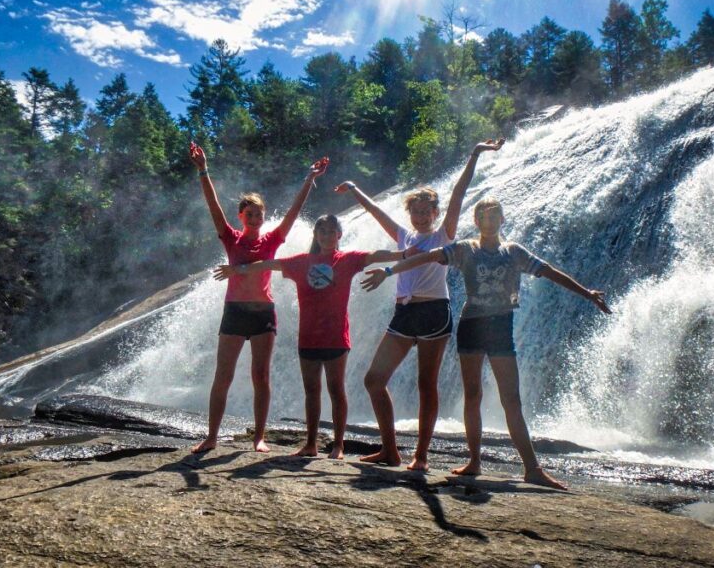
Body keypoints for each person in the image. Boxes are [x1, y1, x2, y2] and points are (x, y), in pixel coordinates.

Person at [361, 198, 612, 489]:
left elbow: (549, 272)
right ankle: (474, 461)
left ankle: (532, 468)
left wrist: (587, 294)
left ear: (502, 220)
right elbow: (428, 257)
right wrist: (389, 272)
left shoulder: (514, 252)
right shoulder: (465, 249)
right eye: (483, 217)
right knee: (473, 395)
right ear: (476, 221)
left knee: (511, 399)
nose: (489, 221)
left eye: (494, 216)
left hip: (501, 328)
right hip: (471, 326)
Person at [334, 138, 505, 471]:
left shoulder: (443, 235)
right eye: (417, 211)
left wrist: (473, 154)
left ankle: (421, 456)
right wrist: (355, 190)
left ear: (435, 214)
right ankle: (390, 450)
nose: (422, 216)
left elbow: (458, 194)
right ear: (410, 213)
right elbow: (376, 211)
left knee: (426, 384)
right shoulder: (404, 236)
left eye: (428, 211)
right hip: (404, 313)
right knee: (374, 379)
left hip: (433, 313)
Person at [213, 215, 404, 459]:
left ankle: (338, 445)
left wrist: (405, 255)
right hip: (308, 337)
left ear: (339, 235)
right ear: (316, 235)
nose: (326, 236)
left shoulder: (347, 259)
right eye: (321, 231)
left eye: (331, 231)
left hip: (336, 336)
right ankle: (311, 443)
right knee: (311, 390)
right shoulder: (301, 262)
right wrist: (236, 270)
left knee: (336, 390)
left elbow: (377, 255)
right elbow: (267, 264)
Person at [189, 142, 328, 454]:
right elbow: (212, 206)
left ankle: (259, 437)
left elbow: (293, 214)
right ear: (241, 216)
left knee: (261, 376)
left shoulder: (271, 240)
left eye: (259, 214)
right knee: (222, 375)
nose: (254, 218)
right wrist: (203, 170)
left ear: (264, 217)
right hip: (235, 312)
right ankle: (212, 436)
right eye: (249, 214)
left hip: (264, 312)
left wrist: (309, 179)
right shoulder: (230, 237)